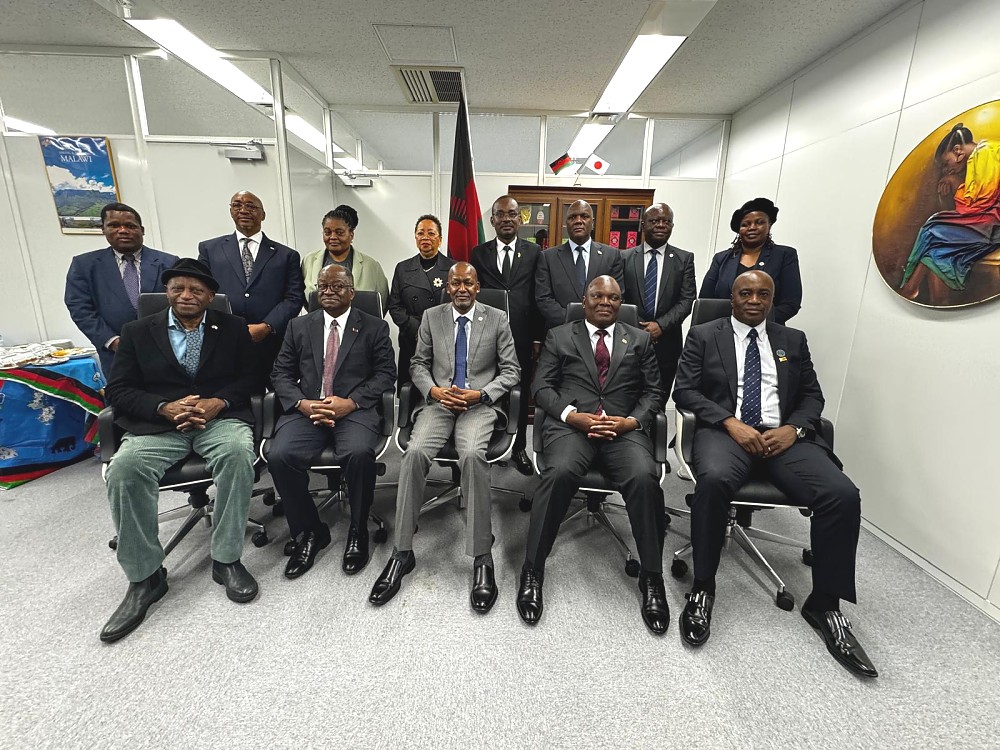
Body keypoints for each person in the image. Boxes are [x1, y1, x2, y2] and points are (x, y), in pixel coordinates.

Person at [672, 270, 877, 678]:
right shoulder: (704, 335)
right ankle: (703, 588)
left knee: (841, 495)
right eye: (745, 293)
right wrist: (730, 422)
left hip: (784, 439)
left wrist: (794, 429)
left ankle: (826, 604)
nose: (754, 300)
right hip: (726, 434)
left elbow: (812, 396)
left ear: (772, 299)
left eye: (762, 294)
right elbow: (686, 391)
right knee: (714, 482)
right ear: (732, 298)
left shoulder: (792, 340)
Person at [99, 258, 259, 643]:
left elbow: (253, 377)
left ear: (210, 296)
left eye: (196, 290)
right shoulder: (137, 331)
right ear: (167, 292)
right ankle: (146, 577)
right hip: (159, 425)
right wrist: (163, 407)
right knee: (124, 469)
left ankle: (226, 559)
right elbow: (118, 390)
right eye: (178, 288)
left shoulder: (233, 327)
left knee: (238, 454)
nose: (186, 295)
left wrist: (219, 401)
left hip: (217, 419)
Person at [517, 276, 669, 635]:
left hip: (622, 429)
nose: (605, 302)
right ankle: (533, 570)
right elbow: (541, 386)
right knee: (558, 473)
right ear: (584, 301)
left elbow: (654, 392)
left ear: (621, 303)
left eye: (613, 297)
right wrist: (573, 416)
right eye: (597, 295)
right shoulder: (559, 336)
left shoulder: (640, 339)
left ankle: (652, 577)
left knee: (644, 477)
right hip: (572, 427)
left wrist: (630, 422)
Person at [369, 263, 519, 612]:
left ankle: (482, 556)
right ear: (447, 288)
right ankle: (402, 552)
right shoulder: (431, 317)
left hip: (478, 405)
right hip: (438, 404)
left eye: (468, 282)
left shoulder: (497, 318)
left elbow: (512, 370)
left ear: (477, 287)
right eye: (455, 283)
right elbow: (417, 364)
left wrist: (481, 394)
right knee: (414, 453)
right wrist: (434, 391)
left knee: (472, 456)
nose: (461, 288)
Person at [268, 265, 396, 578]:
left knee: (358, 453)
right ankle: (311, 531)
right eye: (322, 286)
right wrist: (303, 403)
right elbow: (280, 373)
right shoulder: (298, 326)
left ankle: (358, 530)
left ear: (351, 292)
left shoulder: (374, 326)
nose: (328, 291)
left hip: (354, 409)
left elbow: (386, 374)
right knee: (279, 455)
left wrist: (350, 402)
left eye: (337, 286)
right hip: (308, 409)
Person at [197, 190, 305, 389]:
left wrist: (266, 326)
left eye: (251, 206)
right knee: (230, 393)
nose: (244, 210)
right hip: (223, 339)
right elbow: (202, 292)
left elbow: (294, 297)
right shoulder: (210, 250)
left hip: (271, 342)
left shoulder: (286, 255)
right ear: (230, 211)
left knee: (274, 395)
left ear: (263, 214)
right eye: (237, 205)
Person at [470, 195, 544, 475]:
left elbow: (538, 297)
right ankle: (491, 443)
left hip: (522, 336)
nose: (506, 219)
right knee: (489, 388)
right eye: (500, 214)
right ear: (492, 220)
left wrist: (537, 338)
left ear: (520, 219)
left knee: (520, 392)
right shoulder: (479, 253)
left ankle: (519, 447)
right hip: (487, 335)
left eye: (512, 214)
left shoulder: (534, 252)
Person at [64, 202, 180, 376]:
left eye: (130, 226)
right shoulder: (85, 265)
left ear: (142, 230)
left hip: (167, 352)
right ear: (103, 229)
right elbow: (79, 308)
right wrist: (112, 341)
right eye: (114, 225)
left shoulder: (169, 262)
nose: (123, 231)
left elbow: (181, 302)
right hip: (115, 355)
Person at [899, 123, 1000, 304]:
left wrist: (955, 184)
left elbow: (983, 200)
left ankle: (910, 287)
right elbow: (974, 202)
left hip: (993, 223)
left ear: (957, 150)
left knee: (933, 226)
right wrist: (954, 184)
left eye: (947, 163)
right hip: (987, 220)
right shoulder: (975, 160)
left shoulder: (985, 151)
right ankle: (929, 297)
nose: (947, 169)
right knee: (936, 254)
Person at [621, 202, 696, 397]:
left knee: (658, 399)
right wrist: (639, 328)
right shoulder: (624, 257)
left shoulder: (684, 259)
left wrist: (660, 326)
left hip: (667, 343)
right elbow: (619, 298)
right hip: (629, 341)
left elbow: (687, 300)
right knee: (626, 397)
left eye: (666, 221)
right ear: (643, 225)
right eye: (654, 221)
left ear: (672, 226)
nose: (661, 225)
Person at [699, 198, 802, 324]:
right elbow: (706, 301)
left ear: (769, 225)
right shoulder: (721, 258)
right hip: (723, 329)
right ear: (739, 230)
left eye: (759, 222)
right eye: (745, 224)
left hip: (767, 329)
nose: (752, 227)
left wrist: (757, 323)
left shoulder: (784, 255)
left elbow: (791, 303)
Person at [387, 214, 454, 393]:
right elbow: (394, 306)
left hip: (443, 339)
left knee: (441, 392)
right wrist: (416, 328)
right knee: (410, 392)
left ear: (440, 239)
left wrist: (433, 331)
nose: (425, 237)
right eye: (420, 233)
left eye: (431, 233)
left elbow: (459, 305)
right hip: (412, 338)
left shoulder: (452, 268)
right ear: (415, 237)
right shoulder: (403, 268)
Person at [535, 200, 624, 330]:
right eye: (572, 217)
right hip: (561, 331)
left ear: (592, 222)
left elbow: (617, 296)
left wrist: (593, 323)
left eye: (584, 216)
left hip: (599, 330)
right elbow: (544, 298)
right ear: (566, 223)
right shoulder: (548, 257)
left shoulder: (612, 256)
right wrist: (572, 322)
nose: (578, 221)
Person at [300, 204, 390, 309]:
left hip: (359, 319)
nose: (333, 237)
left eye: (339, 233)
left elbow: (381, 304)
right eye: (327, 232)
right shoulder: (309, 261)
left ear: (351, 235)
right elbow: (304, 299)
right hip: (318, 319)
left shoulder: (371, 266)